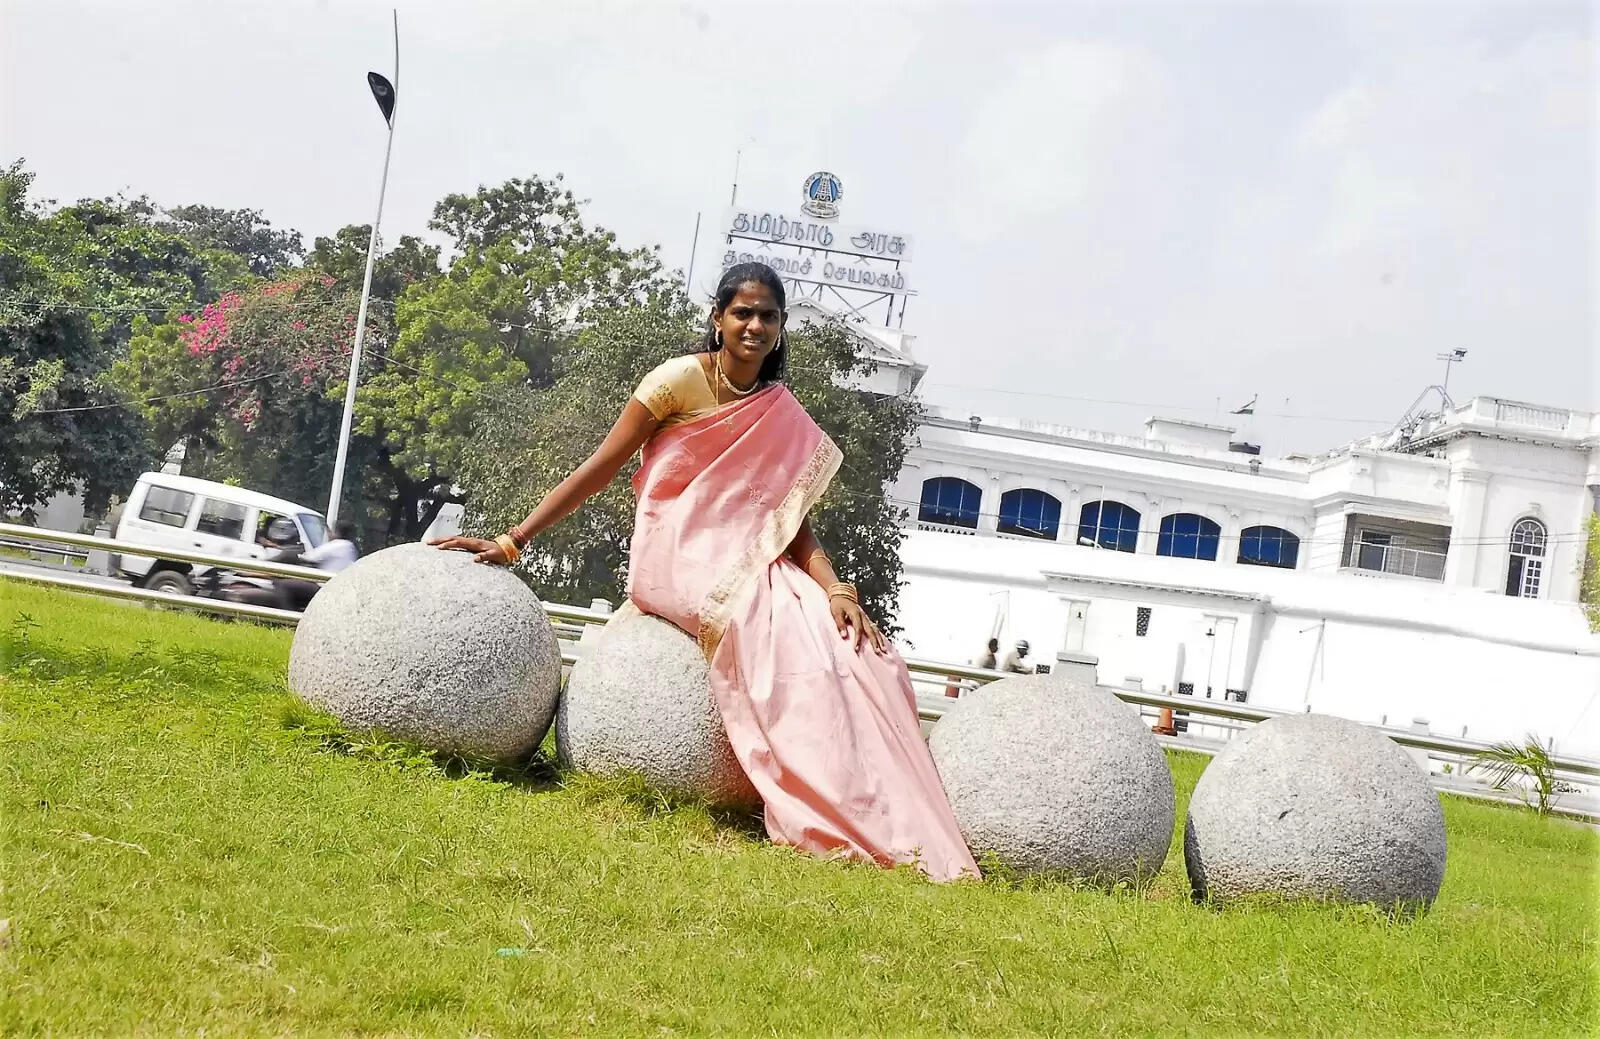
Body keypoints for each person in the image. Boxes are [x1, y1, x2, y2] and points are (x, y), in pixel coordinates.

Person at [431, 263, 977, 883]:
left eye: (767, 315)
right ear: (718, 318)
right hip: (678, 553)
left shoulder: (778, 410)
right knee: (775, 629)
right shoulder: (677, 381)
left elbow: (786, 519)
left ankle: (882, 811)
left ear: (779, 329)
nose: (754, 325)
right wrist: (515, 538)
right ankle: (831, 804)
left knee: (854, 647)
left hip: (746, 557)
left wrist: (835, 589)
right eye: (742, 312)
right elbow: (602, 464)